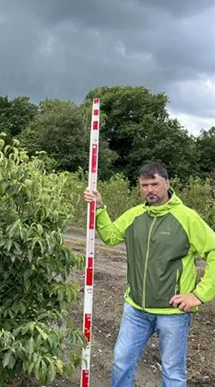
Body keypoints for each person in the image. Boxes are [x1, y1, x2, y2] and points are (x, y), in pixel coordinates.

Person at [84, 162, 215, 387]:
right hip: (135, 309)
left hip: (172, 313)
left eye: (154, 184)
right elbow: (112, 236)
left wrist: (199, 295)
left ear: (167, 183)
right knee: (120, 363)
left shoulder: (187, 217)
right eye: (144, 185)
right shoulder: (135, 215)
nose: (149, 190)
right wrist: (100, 208)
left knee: (173, 374)